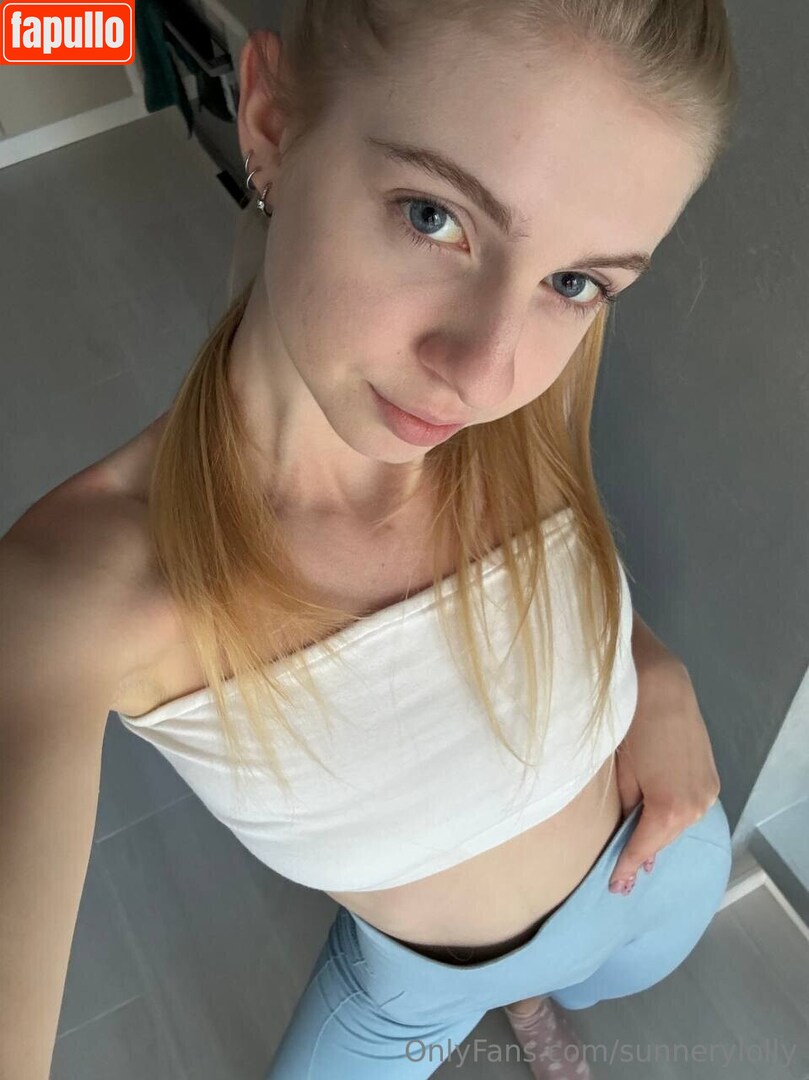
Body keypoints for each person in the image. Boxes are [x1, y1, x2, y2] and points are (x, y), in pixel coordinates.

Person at [0, 1, 741, 1078]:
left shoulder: (530, 380)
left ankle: (534, 992)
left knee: (593, 977)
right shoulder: (79, 594)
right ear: (269, 121)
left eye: (576, 282)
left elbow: (558, 575)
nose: (482, 373)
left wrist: (651, 665)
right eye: (432, 216)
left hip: (658, 864)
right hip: (411, 990)